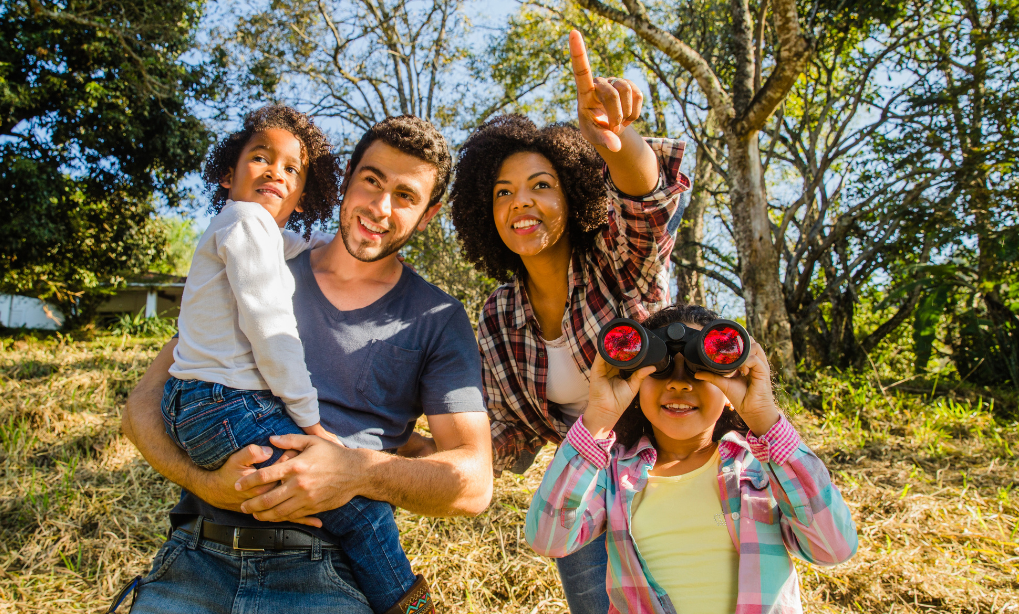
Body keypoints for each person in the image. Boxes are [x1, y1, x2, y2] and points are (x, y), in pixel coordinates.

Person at [119, 115, 493, 613]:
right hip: (196, 559)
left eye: (405, 196)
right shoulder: (258, 262)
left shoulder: (437, 318)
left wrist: (357, 473)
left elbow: (474, 483)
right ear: (346, 181)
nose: (380, 208)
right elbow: (143, 406)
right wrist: (205, 483)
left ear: (428, 214)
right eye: (372, 181)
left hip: (326, 575)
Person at [448, 30, 689, 613]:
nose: (520, 203)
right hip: (580, 494)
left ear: (575, 193)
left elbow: (648, 205)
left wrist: (616, 140)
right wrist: (411, 449)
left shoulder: (615, 260)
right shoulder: (497, 314)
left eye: (540, 186)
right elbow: (508, 432)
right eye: (502, 192)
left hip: (669, 473)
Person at [524, 304, 859, 613]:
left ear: (731, 389)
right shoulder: (612, 475)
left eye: (700, 371)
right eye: (660, 369)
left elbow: (833, 547)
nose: (680, 385)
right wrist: (598, 417)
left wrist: (763, 416)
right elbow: (549, 538)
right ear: (636, 384)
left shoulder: (762, 469)